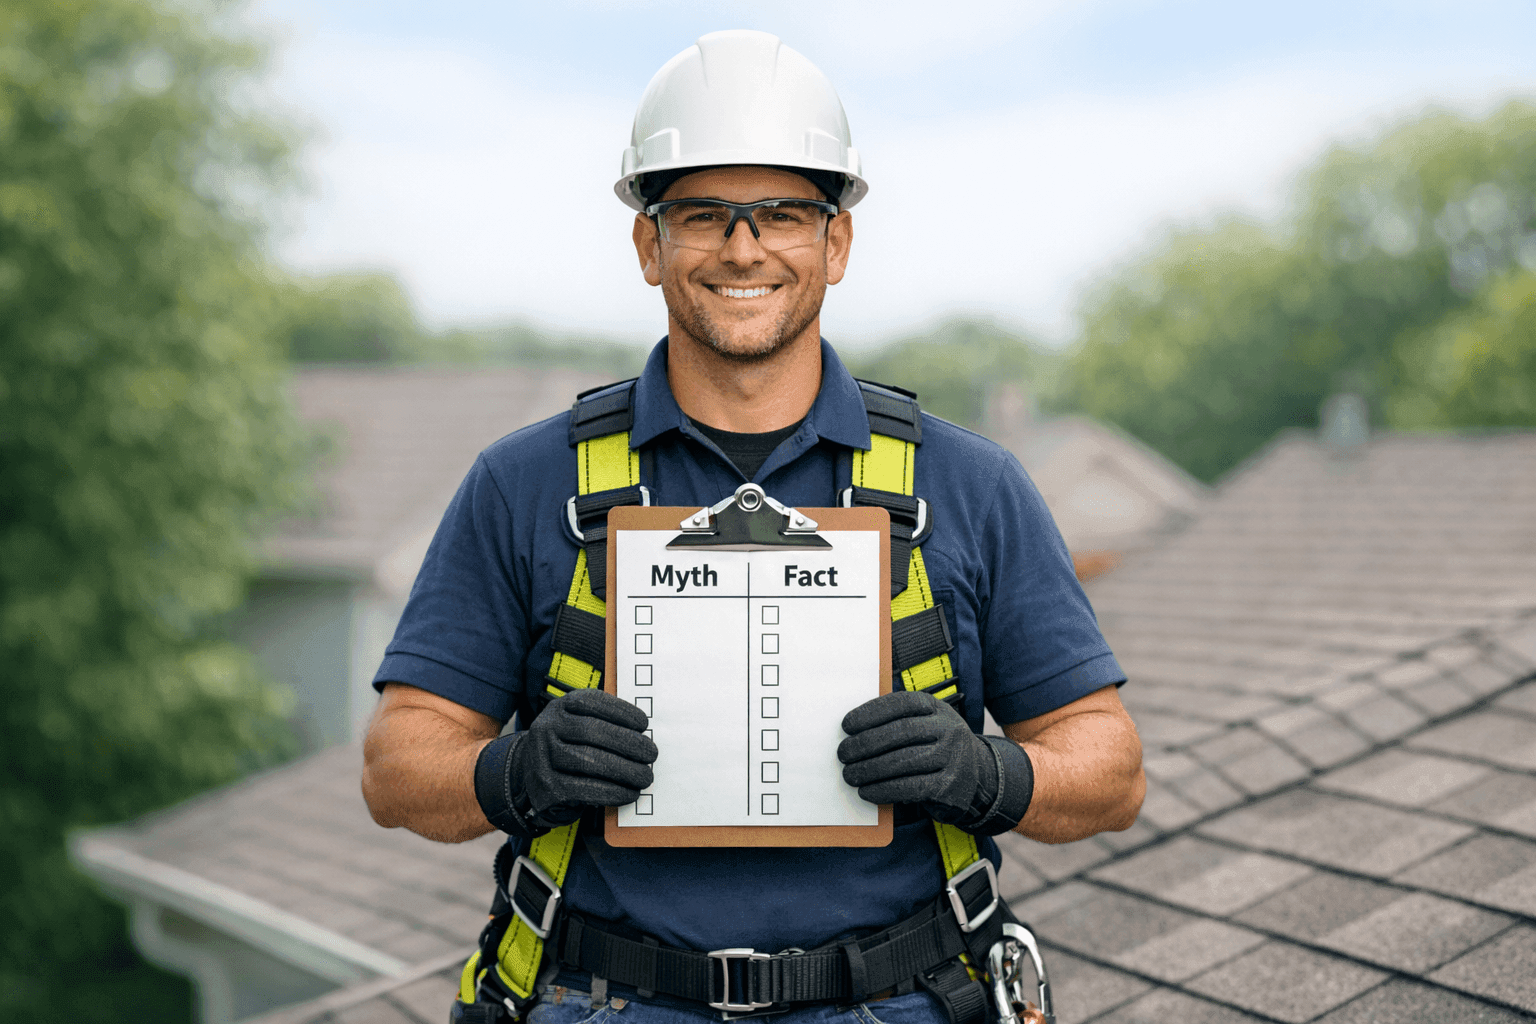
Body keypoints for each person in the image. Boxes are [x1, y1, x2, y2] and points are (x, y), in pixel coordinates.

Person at [360, 29, 1143, 1024]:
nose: (743, 248)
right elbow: (397, 768)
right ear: (650, 244)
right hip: (607, 999)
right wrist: (514, 771)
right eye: (703, 215)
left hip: (898, 998)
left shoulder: (969, 484)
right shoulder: (525, 483)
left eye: (781, 214)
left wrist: (985, 773)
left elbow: (1110, 770)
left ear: (836, 242)